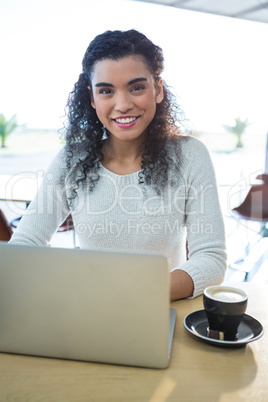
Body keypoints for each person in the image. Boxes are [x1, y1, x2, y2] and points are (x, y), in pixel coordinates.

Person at [9, 29, 227, 301]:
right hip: (89, 309)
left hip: (160, 308)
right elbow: (25, 245)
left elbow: (210, 259)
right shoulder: (71, 161)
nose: (122, 105)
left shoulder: (191, 155)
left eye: (136, 87)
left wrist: (136, 293)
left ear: (158, 89)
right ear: (92, 98)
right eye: (106, 91)